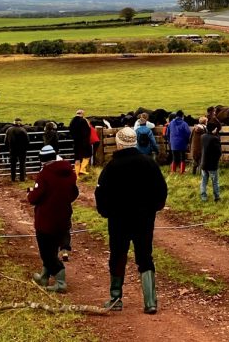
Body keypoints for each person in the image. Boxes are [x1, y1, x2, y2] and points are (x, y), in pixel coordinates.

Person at [95, 125, 168, 314]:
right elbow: (161, 189)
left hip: (118, 220)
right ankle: (150, 301)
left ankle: (115, 298)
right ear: (134, 142)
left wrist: (105, 212)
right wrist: (154, 207)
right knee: (145, 255)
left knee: (118, 255)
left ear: (119, 144)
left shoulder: (111, 167)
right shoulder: (149, 164)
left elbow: (101, 194)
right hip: (144, 218)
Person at [28, 145, 79, 293]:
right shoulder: (69, 171)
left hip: (46, 218)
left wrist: (30, 194)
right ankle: (44, 276)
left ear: (42, 159)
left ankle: (61, 281)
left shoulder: (45, 174)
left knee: (46, 251)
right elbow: (74, 192)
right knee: (53, 247)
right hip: (63, 216)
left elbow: (35, 197)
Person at [200, 120, 223, 202]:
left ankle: (203, 197)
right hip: (212, 164)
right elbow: (219, 152)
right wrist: (217, 159)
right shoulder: (215, 138)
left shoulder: (203, 136)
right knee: (215, 182)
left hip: (204, 162)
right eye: (215, 129)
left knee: (204, 181)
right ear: (213, 129)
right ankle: (217, 197)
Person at [166, 110, 191, 174]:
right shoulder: (184, 123)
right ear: (182, 116)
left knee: (174, 157)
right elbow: (188, 133)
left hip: (173, 143)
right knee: (182, 157)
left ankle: (173, 171)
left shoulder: (171, 123)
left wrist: (170, 140)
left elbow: (167, 133)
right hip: (182, 142)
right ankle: (182, 171)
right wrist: (187, 140)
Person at [69, 108, 92, 176]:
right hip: (83, 142)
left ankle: (76, 175)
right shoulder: (83, 121)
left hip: (75, 142)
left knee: (77, 158)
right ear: (82, 114)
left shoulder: (72, 121)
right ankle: (82, 169)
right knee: (87, 155)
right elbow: (87, 132)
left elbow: (70, 131)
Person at [6, 118, 29, 182]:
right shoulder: (23, 130)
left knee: (13, 164)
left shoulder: (9, 130)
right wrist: (25, 148)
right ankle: (22, 178)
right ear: (20, 123)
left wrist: (9, 147)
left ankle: (13, 178)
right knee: (22, 164)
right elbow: (27, 141)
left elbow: (5, 141)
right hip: (22, 150)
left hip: (12, 149)